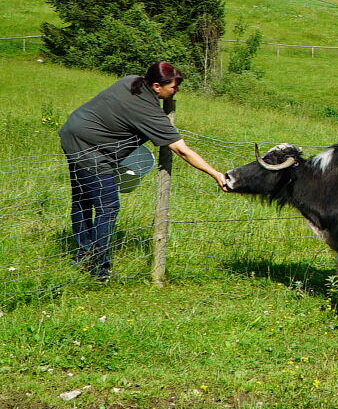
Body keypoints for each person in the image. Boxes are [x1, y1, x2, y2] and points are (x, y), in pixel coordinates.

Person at [59, 61, 227, 281]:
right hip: (90, 151)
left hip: (72, 133)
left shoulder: (131, 81)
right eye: (174, 87)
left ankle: (83, 255)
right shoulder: (147, 111)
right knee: (107, 206)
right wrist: (216, 174)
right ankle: (98, 268)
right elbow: (181, 150)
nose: (177, 91)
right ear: (157, 86)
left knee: (83, 200)